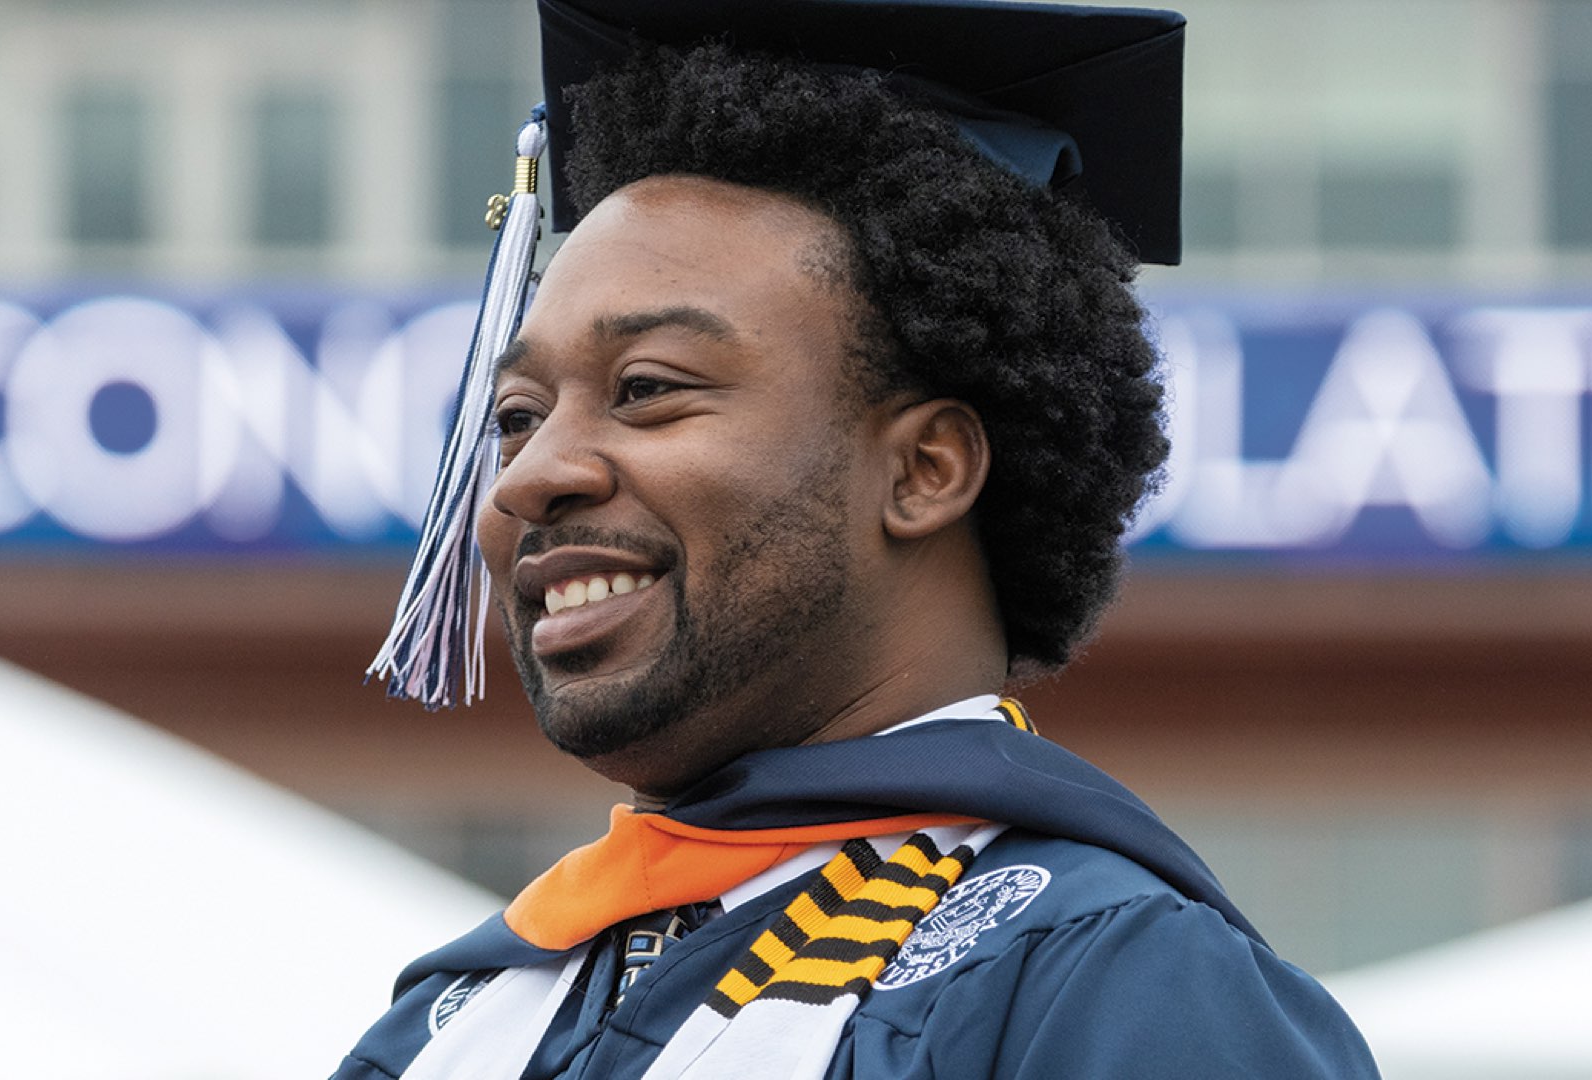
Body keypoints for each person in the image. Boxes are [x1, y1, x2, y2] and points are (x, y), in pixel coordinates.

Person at [338, 3, 1379, 1077]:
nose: (534, 475)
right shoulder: (455, 1023)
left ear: (924, 470)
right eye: (516, 416)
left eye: (646, 389)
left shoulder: (1115, 989)